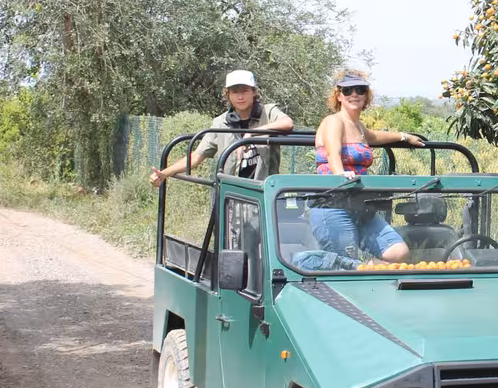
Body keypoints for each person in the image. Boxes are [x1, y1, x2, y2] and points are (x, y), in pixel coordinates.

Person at [309, 69, 424, 263]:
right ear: (338, 96)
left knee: (398, 252)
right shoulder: (333, 122)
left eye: (360, 90)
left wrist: (404, 136)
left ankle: (371, 269)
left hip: (360, 206)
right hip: (332, 203)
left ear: (366, 95)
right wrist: (340, 175)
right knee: (347, 262)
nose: (354, 94)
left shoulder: (359, 127)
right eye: (347, 90)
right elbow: (332, 152)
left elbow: (375, 136)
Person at [150, 70, 294, 187]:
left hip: (263, 193)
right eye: (235, 92)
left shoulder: (268, 112)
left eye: (244, 90)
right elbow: (196, 157)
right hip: (231, 197)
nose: (240, 96)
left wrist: (251, 133)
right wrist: (164, 174)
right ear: (228, 95)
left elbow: (287, 123)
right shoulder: (221, 123)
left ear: (254, 92)